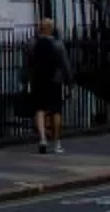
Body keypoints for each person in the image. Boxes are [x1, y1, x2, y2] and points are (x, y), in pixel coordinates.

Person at [24, 17, 73, 156]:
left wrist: (26, 79)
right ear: (51, 29)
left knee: (39, 109)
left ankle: (43, 139)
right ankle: (57, 143)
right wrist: (69, 80)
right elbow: (65, 63)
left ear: (40, 28)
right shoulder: (58, 43)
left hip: (38, 79)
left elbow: (28, 63)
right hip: (55, 80)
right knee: (56, 110)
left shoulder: (32, 43)